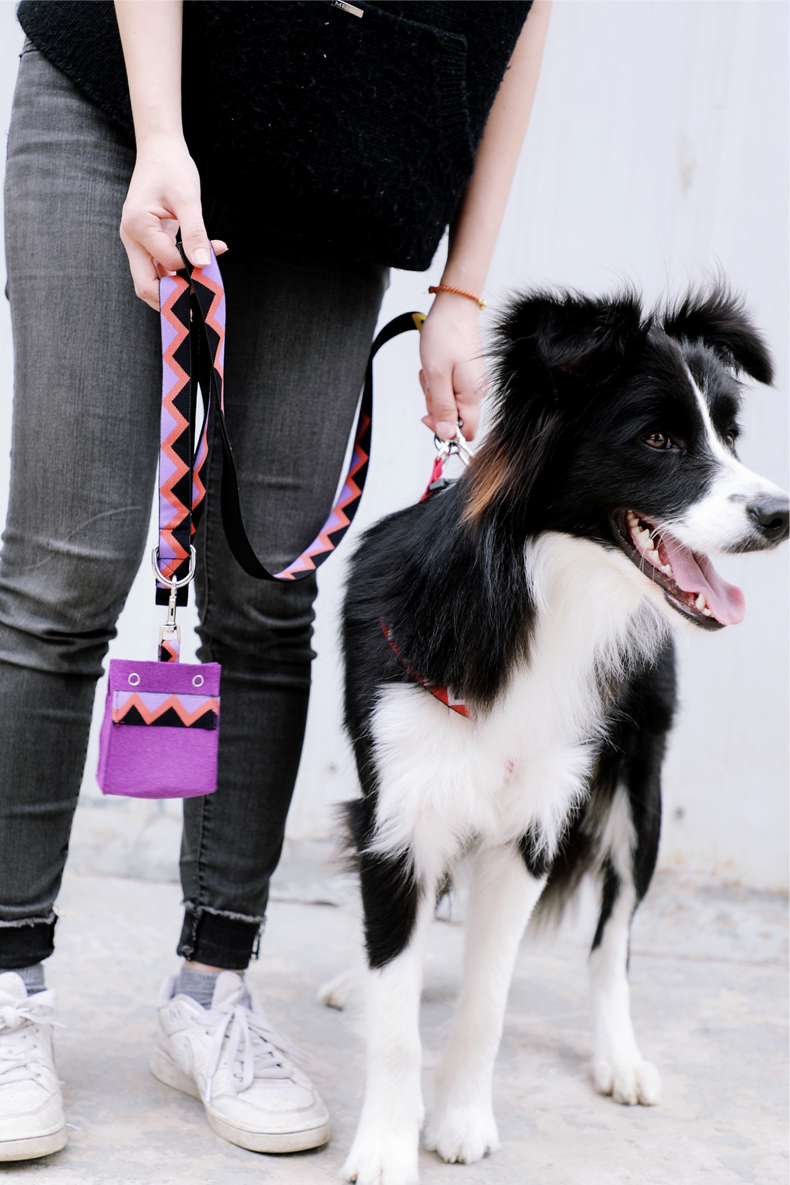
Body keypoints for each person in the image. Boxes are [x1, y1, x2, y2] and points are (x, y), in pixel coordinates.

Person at [0, 0, 551, 1163]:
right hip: (119, 95)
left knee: (266, 596)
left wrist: (464, 289)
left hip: (335, 150)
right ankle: (9, 988)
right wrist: (160, 134)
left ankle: (210, 993)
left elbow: (518, 20)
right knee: (63, 572)